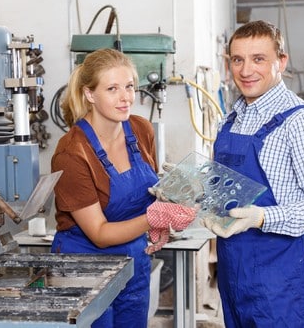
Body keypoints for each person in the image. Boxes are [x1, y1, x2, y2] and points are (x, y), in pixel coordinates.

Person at [201, 20, 304, 327]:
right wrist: (190, 185)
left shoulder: (302, 122)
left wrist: (263, 217)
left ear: (281, 61)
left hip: (280, 279)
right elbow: (229, 192)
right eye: (238, 60)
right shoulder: (232, 119)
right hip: (234, 272)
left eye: (258, 59)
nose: (245, 70)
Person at [50, 48, 196, 328]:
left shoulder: (141, 130)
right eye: (112, 88)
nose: (125, 97)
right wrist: (154, 217)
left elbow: (148, 196)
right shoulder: (72, 154)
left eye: (129, 86)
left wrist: (168, 202)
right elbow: (100, 234)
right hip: (85, 268)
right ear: (89, 94)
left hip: (133, 261)